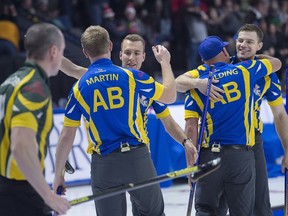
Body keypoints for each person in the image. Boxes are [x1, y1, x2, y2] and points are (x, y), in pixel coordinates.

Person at [60, 33, 198, 215]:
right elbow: (71, 69)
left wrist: (185, 142)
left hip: (126, 160)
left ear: (143, 56)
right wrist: (165, 62)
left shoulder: (144, 84)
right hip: (126, 158)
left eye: (136, 53)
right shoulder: (117, 76)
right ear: (118, 54)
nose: (131, 58)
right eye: (127, 53)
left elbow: (168, 122)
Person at [176, 24, 288, 216]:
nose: (243, 45)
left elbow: (279, 114)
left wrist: (287, 150)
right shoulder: (223, 66)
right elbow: (179, 82)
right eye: (240, 40)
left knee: (260, 205)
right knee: (223, 205)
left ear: (259, 45)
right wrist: (199, 83)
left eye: (249, 42)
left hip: (252, 144)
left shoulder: (264, 74)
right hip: (230, 147)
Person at [0, 23, 70, 216]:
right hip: (20, 193)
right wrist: (48, 196)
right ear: (54, 51)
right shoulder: (35, 87)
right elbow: (21, 145)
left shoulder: (11, 81)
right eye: (63, 51)